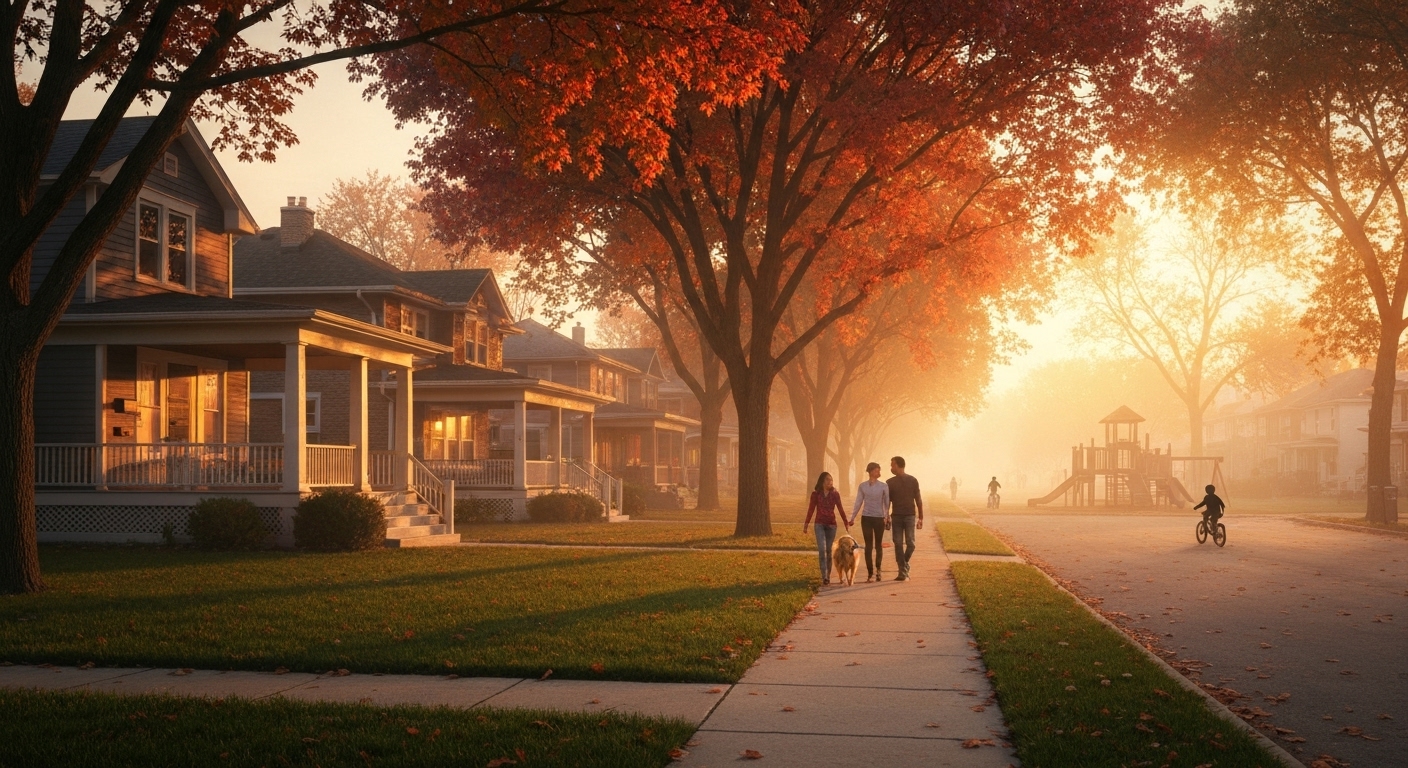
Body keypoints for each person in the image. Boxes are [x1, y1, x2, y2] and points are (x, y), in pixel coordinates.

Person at [804, 472, 849, 585]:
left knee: (828, 550)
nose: (830, 482)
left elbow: (840, 508)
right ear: (822, 481)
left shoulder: (835, 494)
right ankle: (824, 575)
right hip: (819, 524)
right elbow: (811, 509)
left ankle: (828, 575)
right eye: (828, 480)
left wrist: (846, 522)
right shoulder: (816, 494)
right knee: (822, 550)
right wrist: (806, 524)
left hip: (831, 525)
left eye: (831, 480)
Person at [885, 457, 923, 582]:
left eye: (892, 465)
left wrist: (921, 517)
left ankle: (904, 565)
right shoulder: (889, 482)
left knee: (911, 543)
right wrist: (886, 516)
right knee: (898, 544)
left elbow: (918, 499)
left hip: (910, 516)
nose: (891, 468)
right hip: (896, 516)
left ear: (899, 465)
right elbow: (887, 502)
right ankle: (902, 571)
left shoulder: (913, 480)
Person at [852, 462, 890, 581]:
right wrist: (852, 517)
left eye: (879, 470)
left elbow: (886, 503)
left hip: (879, 518)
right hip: (866, 518)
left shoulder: (883, 486)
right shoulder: (863, 486)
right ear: (871, 471)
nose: (879, 473)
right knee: (868, 546)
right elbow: (858, 502)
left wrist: (887, 516)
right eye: (877, 470)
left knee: (878, 545)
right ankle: (870, 572)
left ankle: (878, 570)